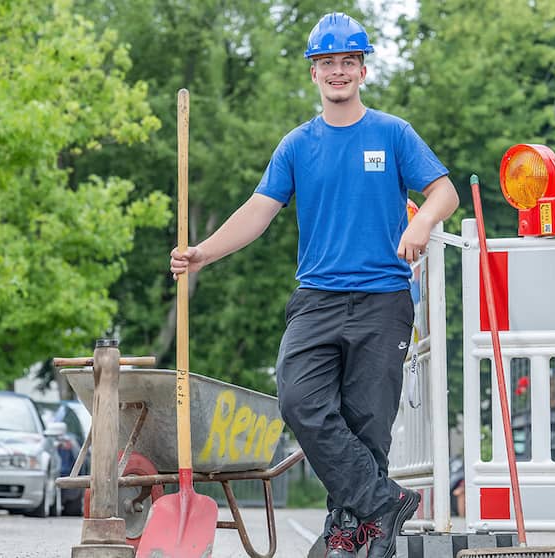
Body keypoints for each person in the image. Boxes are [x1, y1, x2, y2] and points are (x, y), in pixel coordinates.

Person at [170, 12, 459, 558]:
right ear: (313, 73)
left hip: (383, 301)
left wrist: (420, 222)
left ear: (363, 70)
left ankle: (353, 538)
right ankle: (382, 503)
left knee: (366, 425)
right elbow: (258, 211)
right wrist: (203, 252)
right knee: (299, 399)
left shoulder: (393, 134)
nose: (338, 71)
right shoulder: (298, 145)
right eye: (328, 62)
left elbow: (444, 193)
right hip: (317, 301)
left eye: (348, 61)